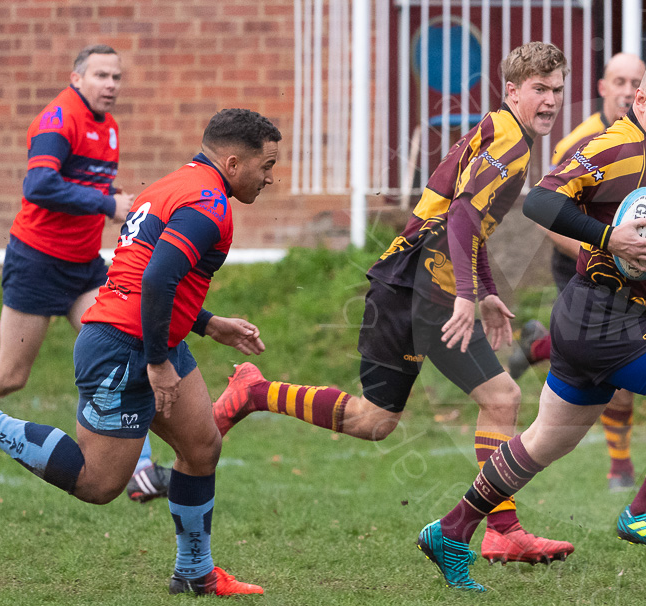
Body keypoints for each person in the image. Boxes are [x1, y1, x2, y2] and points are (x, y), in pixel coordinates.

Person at [415, 54, 646, 591]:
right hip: (603, 318)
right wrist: (608, 238)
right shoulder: (611, 147)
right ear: (640, 102)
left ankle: (451, 529)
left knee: (543, 443)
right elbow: (539, 202)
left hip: (597, 318)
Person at [210, 42, 575, 566]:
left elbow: (468, 222)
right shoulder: (510, 143)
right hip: (427, 283)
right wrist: (469, 296)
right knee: (501, 398)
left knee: (375, 420)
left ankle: (255, 392)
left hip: (403, 280)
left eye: (558, 90)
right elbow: (464, 221)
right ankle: (502, 530)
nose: (550, 101)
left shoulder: (501, 131)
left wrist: (487, 290)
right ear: (512, 91)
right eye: (539, 90)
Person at [0, 108, 280, 596]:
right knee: (98, 483)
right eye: (267, 166)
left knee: (201, 446)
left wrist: (210, 324)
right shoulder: (209, 205)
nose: (270, 178)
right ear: (233, 163)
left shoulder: (171, 187)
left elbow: (141, 277)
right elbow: (155, 280)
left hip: (145, 337)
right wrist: (156, 364)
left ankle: (195, 573)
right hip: (125, 348)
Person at [0, 45, 171, 503]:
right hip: (38, 263)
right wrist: (107, 205)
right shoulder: (58, 119)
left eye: (117, 77)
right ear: (76, 77)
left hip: (84, 266)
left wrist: (112, 197)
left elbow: (83, 184)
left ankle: (140, 471)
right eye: (101, 75)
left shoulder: (110, 127)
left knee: (126, 348)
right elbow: (39, 185)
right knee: (8, 376)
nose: (111, 85)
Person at [507, 52, 646, 493]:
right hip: (580, 264)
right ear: (603, 88)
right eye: (618, 81)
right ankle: (620, 467)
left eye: (634, 82)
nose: (626, 90)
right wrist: (604, 252)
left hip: (635, 266)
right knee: (614, 370)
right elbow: (546, 216)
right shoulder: (582, 142)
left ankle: (539, 343)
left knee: (605, 365)